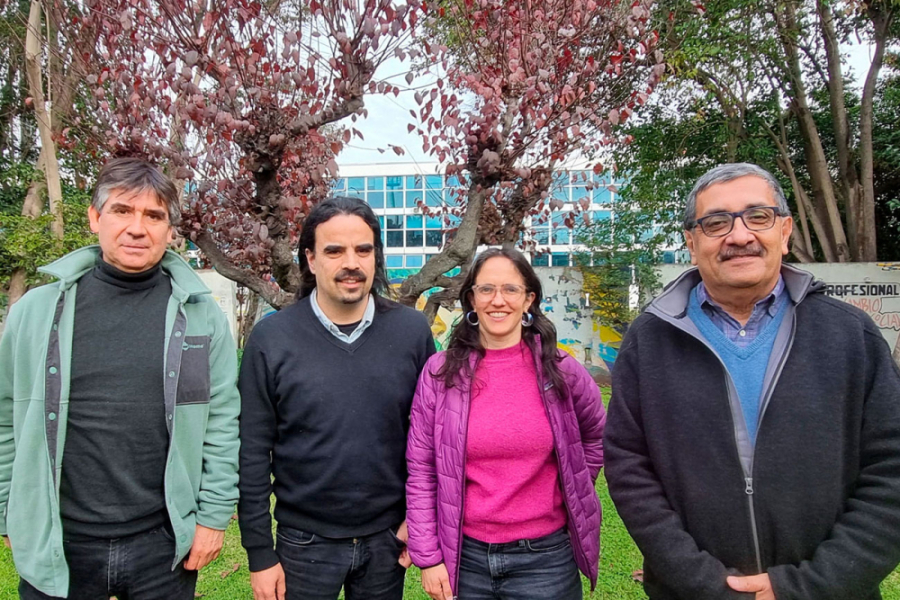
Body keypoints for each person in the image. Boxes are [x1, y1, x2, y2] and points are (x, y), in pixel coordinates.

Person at [604, 162, 900, 600]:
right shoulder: (649, 340)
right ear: (691, 242)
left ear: (785, 231)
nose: (739, 236)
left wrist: (812, 585)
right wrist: (705, 584)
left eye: (757, 216)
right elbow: (630, 468)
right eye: (716, 222)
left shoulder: (849, 334)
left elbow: (891, 471)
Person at [0, 157, 241, 599]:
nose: (137, 227)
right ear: (95, 218)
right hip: (61, 541)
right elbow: (3, 418)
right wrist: (7, 511)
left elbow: (222, 422)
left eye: (154, 216)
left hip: (161, 544)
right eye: (122, 210)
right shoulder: (34, 313)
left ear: (170, 231)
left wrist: (212, 515)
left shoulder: (201, 316)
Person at [238, 196, 436, 600]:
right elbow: (252, 451)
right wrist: (259, 552)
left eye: (363, 250)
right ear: (310, 259)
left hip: (387, 541)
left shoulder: (411, 333)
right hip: (302, 544)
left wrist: (420, 518)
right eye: (334, 251)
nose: (352, 262)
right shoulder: (271, 339)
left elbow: (434, 437)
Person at [406, 247, 606, 600]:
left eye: (511, 289)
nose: (498, 300)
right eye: (486, 289)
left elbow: (598, 435)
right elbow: (421, 468)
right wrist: (428, 556)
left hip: (546, 560)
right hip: (464, 558)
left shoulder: (560, 370)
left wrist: (573, 485)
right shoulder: (440, 373)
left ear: (529, 299)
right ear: (471, 298)